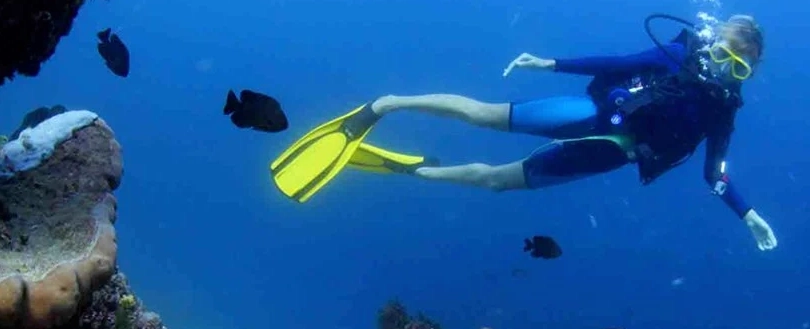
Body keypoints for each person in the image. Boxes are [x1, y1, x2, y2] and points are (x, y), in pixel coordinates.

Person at [269, 14, 776, 251]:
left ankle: (414, 169)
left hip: (608, 153)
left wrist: (747, 213)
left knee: (494, 181)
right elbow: (618, 62)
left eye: (739, 68)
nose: (723, 70)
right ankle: (386, 104)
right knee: (483, 114)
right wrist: (550, 62)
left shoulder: (722, 110)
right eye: (722, 55)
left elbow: (716, 174)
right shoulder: (675, 53)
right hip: (586, 111)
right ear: (709, 44)